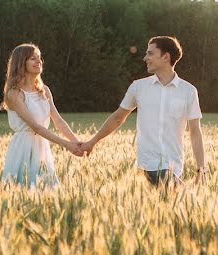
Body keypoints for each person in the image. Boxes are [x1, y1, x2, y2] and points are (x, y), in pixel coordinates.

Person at [80, 36, 207, 185]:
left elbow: (195, 131)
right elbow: (118, 118)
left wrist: (201, 169)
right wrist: (92, 142)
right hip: (148, 166)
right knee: (185, 202)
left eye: (150, 53)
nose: (145, 58)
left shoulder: (188, 91)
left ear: (166, 57)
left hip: (175, 167)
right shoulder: (138, 87)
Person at [0, 43, 83, 187]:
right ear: (21, 63)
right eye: (33, 58)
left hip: (42, 147)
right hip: (23, 148)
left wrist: (76, 143)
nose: (39, 61)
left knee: (46, 190)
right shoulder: (14, 94)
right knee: (21, 190)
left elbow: (58, 120)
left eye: (39, 57)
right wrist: (67, 145)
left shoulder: (44, 90)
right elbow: (35, 127)